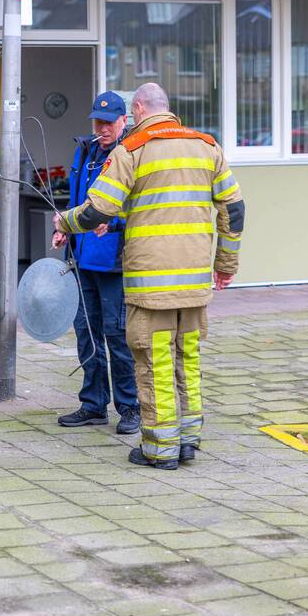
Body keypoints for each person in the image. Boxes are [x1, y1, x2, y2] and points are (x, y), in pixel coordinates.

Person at [53, 83, 245, 470]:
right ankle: (188, 439)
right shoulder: (208, 147)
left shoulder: (133, 150)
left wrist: (66, 221)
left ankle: (159, 449)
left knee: (153, 362)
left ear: (138, 109)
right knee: (186, 359)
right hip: (193, 283)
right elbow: (235, 210)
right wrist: (225, 265)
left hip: (151, 285)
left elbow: (98, 210)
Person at [52, 91, 141, 435]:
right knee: (86, 333)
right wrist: (66, 232)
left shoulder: (130, 154)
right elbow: (79, 202)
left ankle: (130, 408)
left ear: (123, 121)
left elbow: (137, 210)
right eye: (97, 121)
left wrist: (114, 223)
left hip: (114, 261)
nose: (102, 128)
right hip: (81, 258)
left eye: (108, 122)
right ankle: (93, 405)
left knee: (116, 336)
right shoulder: (86, 150)